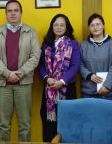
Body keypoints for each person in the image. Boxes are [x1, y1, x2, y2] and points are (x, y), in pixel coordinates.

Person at [0, 0, 41, 142]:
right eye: (9, 11)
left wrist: (19, 74)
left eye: (15, 10)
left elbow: (35, 56)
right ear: (5, 13)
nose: (12, 13)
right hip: (2, 83)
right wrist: (7, 73)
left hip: (23, 83)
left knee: (25, 124)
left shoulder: (31, 32)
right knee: (3, 124)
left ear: (21, 13)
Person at [38, 13, 80, 142]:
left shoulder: (73, 44)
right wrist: (47, 78)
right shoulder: (46, 44)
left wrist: (61, 81)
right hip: (49, 88)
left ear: (67, 27)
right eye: (56, 24)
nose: (59, 27)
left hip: (67, 89)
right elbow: (40, 65)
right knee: (48, 121)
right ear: (52, 27)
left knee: (67, 121)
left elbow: (75, 65)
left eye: (62, 25)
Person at [80, 13, 112, 100]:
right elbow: (79, 64)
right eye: (92, 25)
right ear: (89, 28)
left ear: (103, 26)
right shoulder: (83, 45)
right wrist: (90, 76)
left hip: (107, 91)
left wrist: (107, 86)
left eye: (98, 24)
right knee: (88, 114)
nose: (95, 27)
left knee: (107, 114)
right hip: (88, 91)